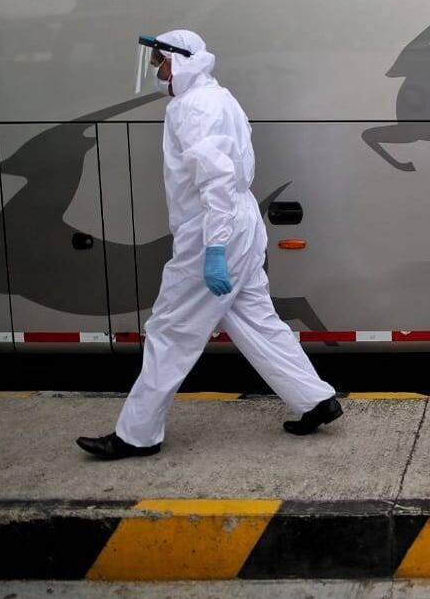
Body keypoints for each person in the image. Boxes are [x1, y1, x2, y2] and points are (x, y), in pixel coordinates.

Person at [76, 30, 340, 459]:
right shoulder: (218, 97)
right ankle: (315, 399)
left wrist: (214, 248)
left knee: (170, 329)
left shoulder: (192, 108)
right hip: (239, 221)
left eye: (160, 63)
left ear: (180, 61)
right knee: (255, 319)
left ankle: (137, 435)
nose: (157, 72)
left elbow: (215, 180)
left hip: (212, 228)